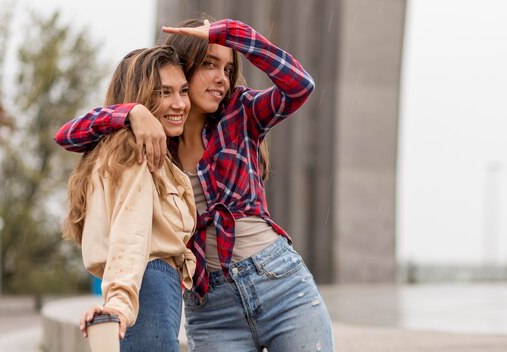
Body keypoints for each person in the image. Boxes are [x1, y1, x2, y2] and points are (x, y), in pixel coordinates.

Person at [55, 17, 333, 351]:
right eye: (209, 64)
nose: (221, 78)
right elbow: (67, 135)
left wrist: (231, 34)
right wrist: (130, 113)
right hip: (211, 308)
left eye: (228, 69)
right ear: (183, 69)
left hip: (280, 283)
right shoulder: (154, 139)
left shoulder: (241, 112)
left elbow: (299, 85)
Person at [61, 45, 197, 352]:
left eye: (183, 91)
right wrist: (120, 303)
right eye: (164, 92)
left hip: (146, 287)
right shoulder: (134, 153)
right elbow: (131, 232)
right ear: (142, 96)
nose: (180, 103)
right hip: (149, 285)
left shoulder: (113, 149)